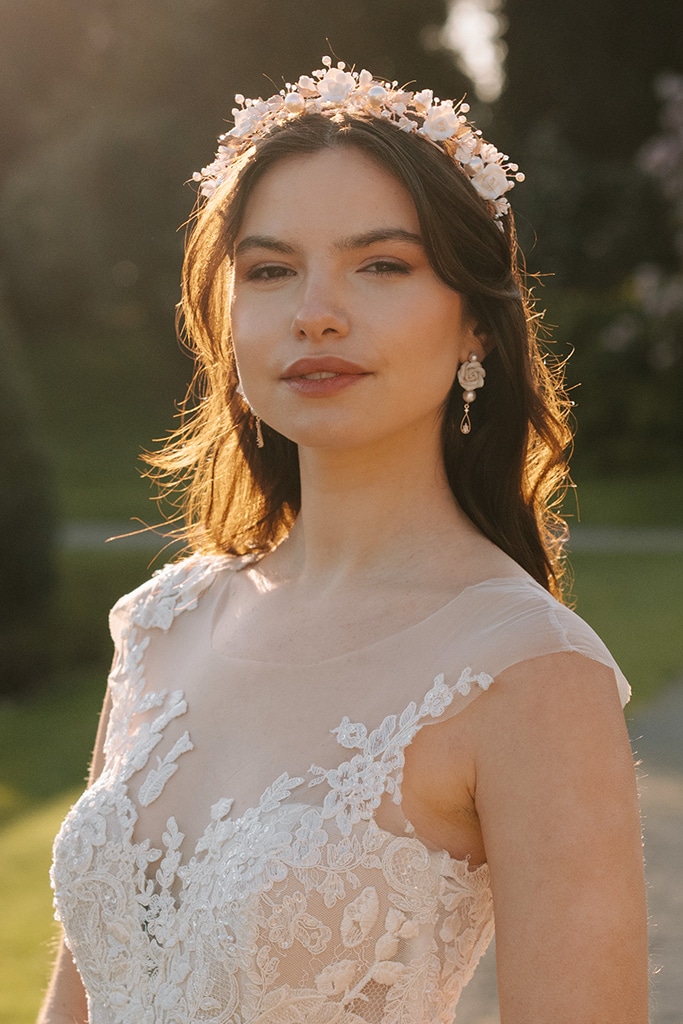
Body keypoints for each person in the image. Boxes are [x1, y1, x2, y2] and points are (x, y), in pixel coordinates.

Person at [39, 57, 648, 1024]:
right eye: (272, 270)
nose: (315, 311)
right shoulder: (162, 624)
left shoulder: (529, 674)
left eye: (381, 265)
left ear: (474, 330)